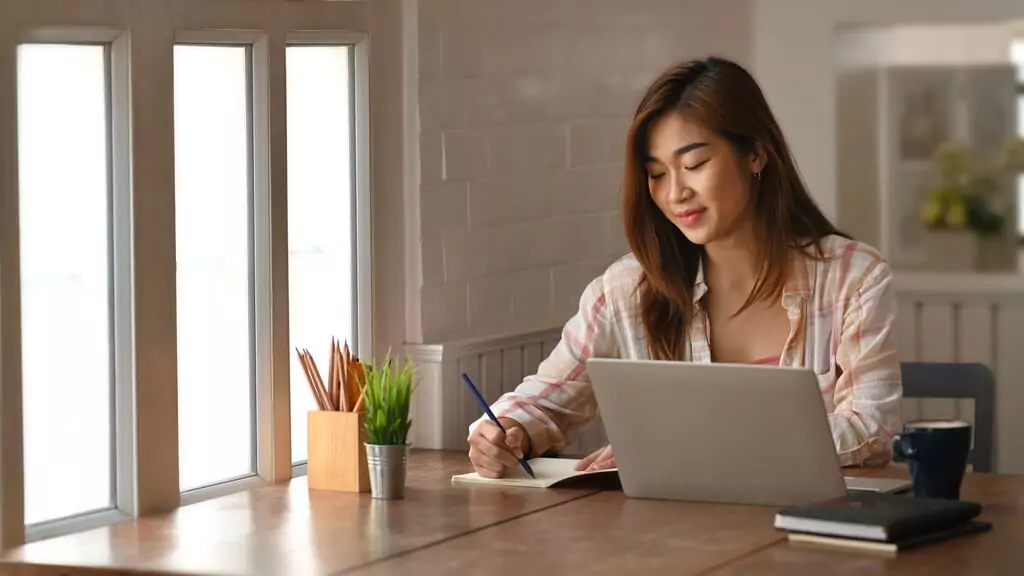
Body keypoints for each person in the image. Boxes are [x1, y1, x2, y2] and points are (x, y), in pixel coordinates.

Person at [466, 56, 903, 478]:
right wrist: (506, 431)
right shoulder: (625, 291)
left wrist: (685, 449)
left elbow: (872, 427)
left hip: (807, 535)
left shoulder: (852, 277)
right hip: (669, 540)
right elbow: (547, 401)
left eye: (694, 165)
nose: (675, 193)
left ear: (755, 154)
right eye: (657, 174)